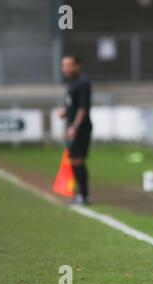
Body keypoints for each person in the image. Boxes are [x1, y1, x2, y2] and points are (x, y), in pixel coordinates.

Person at [58, 55, 93, 205]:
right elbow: (72, 104)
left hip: (81, 128)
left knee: (78, 161)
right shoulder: (71, 83)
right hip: (73, 127)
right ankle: (79, 193)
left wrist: (74, 127)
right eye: (64, 65)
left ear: (77, 66)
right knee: (73, 160)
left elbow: (83, 108)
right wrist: (65, 112)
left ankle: (84, 195)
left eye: (69, 65)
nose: (66, 68)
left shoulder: (83, 83)